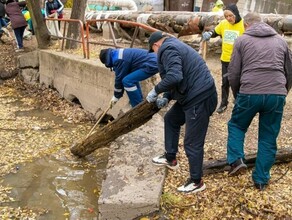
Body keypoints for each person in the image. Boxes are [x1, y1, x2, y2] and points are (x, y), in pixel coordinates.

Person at [226, 12, 292, 190]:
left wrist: (237, 93)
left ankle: (236, 159)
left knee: (237, 125)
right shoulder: (280, 41)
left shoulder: (241, 40)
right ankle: (261, 180)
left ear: (246, 25)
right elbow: (289, 70)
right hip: (276, 93)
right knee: (268, 137)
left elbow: (233, 73)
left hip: (250, 91)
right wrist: (282, 92)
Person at [146, 31, 217, 193]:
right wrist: (167, 96)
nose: (155, 54)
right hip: (193, 95)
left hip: (200, 97)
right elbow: (179, 76)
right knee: (171, 119)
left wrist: (155, 90)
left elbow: (174, 76)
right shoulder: (174, 45)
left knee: (192, 142)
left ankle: (196, 181)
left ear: (156, 45)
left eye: (153, 50)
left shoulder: (167, 50)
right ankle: (170, 158)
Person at [202, 4, 244, 113]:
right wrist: (209, 34)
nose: (229, 18)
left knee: (238, 81)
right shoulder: (224, 24)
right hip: (225, 59)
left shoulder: (244, 25)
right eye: (226, 16)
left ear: (236, 14)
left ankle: (239, 101)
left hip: (239, 60)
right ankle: (224, 103)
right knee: (225, 82)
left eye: (231, 16)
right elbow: (215, 32)